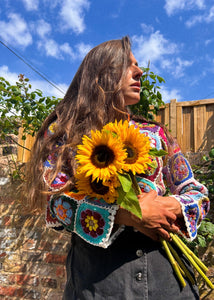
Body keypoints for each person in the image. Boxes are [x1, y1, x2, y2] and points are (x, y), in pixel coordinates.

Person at [25, 36, 210, 299]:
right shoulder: (64, 132)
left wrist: (169, 207)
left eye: (138, 65)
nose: (140, 71)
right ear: (101, 73)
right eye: (128, 64)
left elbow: (197, 194)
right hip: (99, 281)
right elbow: (53, 203)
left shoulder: (156, 134)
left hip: (168, 278)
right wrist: (126, 213)